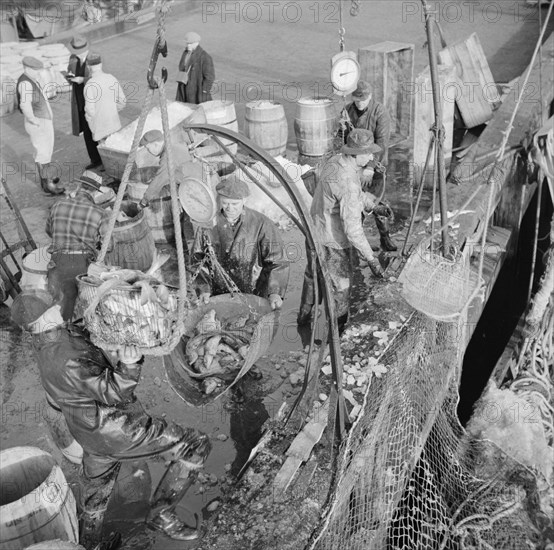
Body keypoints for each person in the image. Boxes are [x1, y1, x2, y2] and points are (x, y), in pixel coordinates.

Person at [10, 293, 212, 548]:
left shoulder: (44, 342)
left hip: (89, 436)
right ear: (45, 316)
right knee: (196, 445)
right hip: (119, 430)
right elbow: (115, 392)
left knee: (95, 497)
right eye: (52, 307)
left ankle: (91, 545)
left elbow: (80, 332)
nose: (57, 307)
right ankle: (161, 514)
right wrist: (129, 364)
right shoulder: (65, 358)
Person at [297, 129, 385, 332]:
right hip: (332, 242)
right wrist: (371, 258)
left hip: (314, 230)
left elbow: (340, 192)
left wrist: (371, 204)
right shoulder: (348, 181)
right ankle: (337, 333)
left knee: (313, 276)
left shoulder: (336, 161)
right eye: (368, 153)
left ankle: (303, 318)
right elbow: (353, 229)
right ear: (356, 154)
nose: (371, 157)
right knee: (340, 287)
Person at [191, 174, 289, 311]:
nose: (229, 208)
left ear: (244, 200)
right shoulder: (207, 226)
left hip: (253, 291)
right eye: (225, 203)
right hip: (219, 293)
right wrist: (204, 289)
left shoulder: (261, 224)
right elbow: (197, 260)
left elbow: (278, 260)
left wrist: (275, 292)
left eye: (235, 204)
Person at [340, 80, 397, 251]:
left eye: (363, 99)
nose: (359, 103)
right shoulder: (347, 111)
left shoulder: (380, 112)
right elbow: (341, 140)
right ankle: (358, 241)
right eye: (356, 99)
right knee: (355, 202)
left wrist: (371, 166)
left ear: (370, 96)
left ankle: (385, 237)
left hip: (375, 164)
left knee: (377, 200)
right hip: (354, 165)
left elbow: (382, 143)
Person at [46, 181, 108, 321]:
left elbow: (49, 231)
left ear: (79, 188)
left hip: (57, 262)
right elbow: (108, 246)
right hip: (81, 264)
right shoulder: (99, 213)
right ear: (94, 193)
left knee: (58, 306)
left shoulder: (57, 205)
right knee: (81, 310)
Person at [16, 56, 64, 195]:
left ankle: (47, 178)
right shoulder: (25, 83)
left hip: (42, 120)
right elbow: (24, 104)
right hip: (38, 122)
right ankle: (48, 184)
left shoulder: (31, 79)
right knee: (42, 153)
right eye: (36, 71)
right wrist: (33, 120)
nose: (38, 73)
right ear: (28, 68)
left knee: (46, 151)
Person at [68, 35, 103, 170]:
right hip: (80, 99)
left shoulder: (94, 58)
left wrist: (83, 80)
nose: (79, 54)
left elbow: (99, 77)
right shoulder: (72, 59)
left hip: (93, 98)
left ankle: (104, 157)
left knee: (98, 129)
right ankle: (95, 159)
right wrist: (70, 78)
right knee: (87, 132)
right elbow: (70, 73)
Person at [84, 52, 127, 143]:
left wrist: (90, 121)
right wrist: (113, 110)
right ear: (101, 64)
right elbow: (122, 101)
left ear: (88, 66)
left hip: (101, 130)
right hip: (115, 125)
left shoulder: (90, 85)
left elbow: (90, 110)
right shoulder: (111, 78)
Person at [175, 31, 215, 104]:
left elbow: (210, 77)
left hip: (197, 91)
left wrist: (204, 91)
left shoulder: (205, 57)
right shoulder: (186, 53)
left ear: (196, 43)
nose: (188, 45)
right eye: (187, 43)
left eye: (190, 43)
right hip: (183, 88)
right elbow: (181, 66)